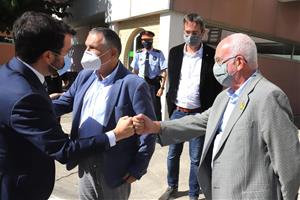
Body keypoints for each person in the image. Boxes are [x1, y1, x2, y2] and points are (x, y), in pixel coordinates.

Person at [133, 33, 300, 200]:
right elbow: (200, 121)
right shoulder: (224, 97)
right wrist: (157, 127)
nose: (215, 66)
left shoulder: (269, 97)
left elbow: (289, 166)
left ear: (239, 62)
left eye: (219, 61)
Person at [0, 11, 135, 200]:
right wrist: (116, 134)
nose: (71, 59)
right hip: (19, 190)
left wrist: (138, 167)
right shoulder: (26, 96)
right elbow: (64, 150)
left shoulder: (8, 73)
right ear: (47, 56)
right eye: (65, 53)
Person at [52, 27, 156, 200]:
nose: (86, 53)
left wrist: (138, 168)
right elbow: (65, 102)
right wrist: (35, 108)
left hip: (115, 167)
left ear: (112, 53)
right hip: (84, 156)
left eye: (92, 48)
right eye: (86, 47)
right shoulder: (84, 76)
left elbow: (148, 130)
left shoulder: (133, 84)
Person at [161, 13, 222, 200]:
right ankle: (172, 187)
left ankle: (194, 194)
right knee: (173, 154)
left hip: (199, 114)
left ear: (203, 32)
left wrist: (211, 114)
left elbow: (216, 86)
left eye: (195, 32)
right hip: (178, 112)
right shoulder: (175, 52)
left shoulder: (212, 55)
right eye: (187, 32)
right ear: (183, 30)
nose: (191, 35)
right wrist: (170, 109)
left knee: (196, 159)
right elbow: (173, 82)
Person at [130, 30, 167, 120]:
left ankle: (157, 131)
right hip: (141, 84)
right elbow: (134, 70)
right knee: (140, 107)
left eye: (148, 40)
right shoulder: (138, 54)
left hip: (154, 85)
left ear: (152, 40)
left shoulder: (158, 54)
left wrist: (161, 88)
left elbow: (164, 71)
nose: (145, 42)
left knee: (156, 109)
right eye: (143, 40)